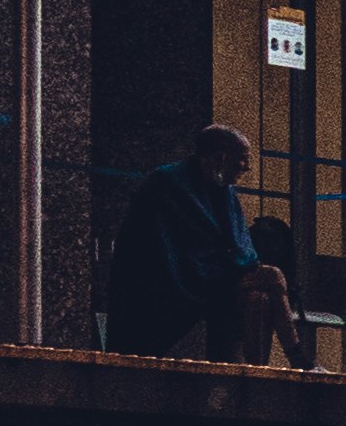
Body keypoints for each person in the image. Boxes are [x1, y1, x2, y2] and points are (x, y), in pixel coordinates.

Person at [102, 125, 294, 363]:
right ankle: (298, 358)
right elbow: (166, 249)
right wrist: (230, 268)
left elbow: (236, 246)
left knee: (260, 299)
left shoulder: (223, 190)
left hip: (212, 278)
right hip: (173, 282)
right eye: (242, 159)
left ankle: (258, 377)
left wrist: (233, 266)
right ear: (220, 157)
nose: (247, 167)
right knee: (272, 276)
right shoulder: (167, 184)